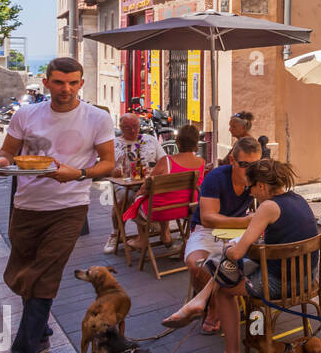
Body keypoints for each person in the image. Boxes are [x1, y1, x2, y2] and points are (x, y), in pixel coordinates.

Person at [0, 57, 115, 353]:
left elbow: (108, 164)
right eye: (59, 82)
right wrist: (0, 163)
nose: (66, 89)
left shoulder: (97, 118)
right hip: (27, 206)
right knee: (20, 274)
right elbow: (7, 152)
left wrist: (82, 174)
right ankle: (40, 330)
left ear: (81, 84)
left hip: (69, 208)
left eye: (73, 83)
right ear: (46, 83)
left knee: (43, 278)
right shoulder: (26, 115)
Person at [163, 158, 319, 353]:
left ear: (262, 186)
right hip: (307, 278)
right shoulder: (298, 199)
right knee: (235, 266)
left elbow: (236, 253)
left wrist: (228, 249)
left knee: (226, 286)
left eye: (252, 187)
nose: (251, 192)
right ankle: (200, 302)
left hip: (282, 284)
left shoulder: (267, 207)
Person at [183, 135, 263, 334]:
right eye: (245, 164)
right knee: (197, 265)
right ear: (232, 161)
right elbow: (208, 218)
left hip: (237, 233)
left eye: (257, 164)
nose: (251, 170)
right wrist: (246, 221)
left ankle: (221, 304)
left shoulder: (256, 178)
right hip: (207, 231)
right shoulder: (217, 177)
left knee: (254, 264)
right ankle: (214, 306)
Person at [121, 124, 205, 253]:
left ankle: (142, 239)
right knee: (165, 196)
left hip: (158, 211)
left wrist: (139, 192)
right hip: (187, 210)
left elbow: (147, 186)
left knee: (136, 198)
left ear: (177, 141)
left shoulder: (166, 161)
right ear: (195, 143)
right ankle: (165, 234)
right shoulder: (201, 163)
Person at [103, 112, 162, 254]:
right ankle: (116, 232)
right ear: (121, 128)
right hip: (125, 183)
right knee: (125, 198)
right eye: (128, 128)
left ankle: (152, 223)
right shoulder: (114, 144)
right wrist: (112, 172)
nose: (133, 130)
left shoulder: (150, 139)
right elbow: (105, 168)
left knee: (163, 192)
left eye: (135, 126)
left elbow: (163, 160)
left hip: (149, 182)